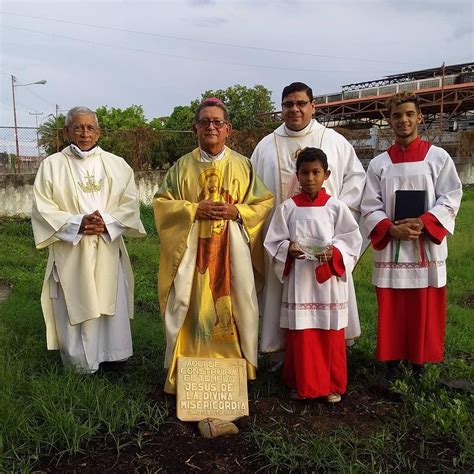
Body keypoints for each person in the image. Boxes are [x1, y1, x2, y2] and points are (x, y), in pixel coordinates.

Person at [154, 98, 274, 394]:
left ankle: (235, 370)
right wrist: (193, 210)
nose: (211, 127)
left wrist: (238, 212)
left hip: (232, 252)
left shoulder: (243, 165)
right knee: (190, 302)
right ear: (195, 128)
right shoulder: (182, 166)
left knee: (235, 304)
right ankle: (188, 367)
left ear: (228, 129)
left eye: (217, 122)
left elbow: (263, 202)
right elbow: (162, 204)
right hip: (194, 253)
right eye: (205, 122)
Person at [251, 82, 366, 356]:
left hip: (327, 242)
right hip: (284, 246)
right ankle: (281, 352)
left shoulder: (335, 141)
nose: (295, 109)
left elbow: (357, 182)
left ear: (313, 106)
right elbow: (252, 191)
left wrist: (334, 221)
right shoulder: (266, 147)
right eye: (288, 104)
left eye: (301, 103)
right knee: (281, 296)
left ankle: (330, 348)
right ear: (281, 109)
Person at [31, 106, 146, 373]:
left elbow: (130, 204)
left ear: (98, 131)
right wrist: (78, 223)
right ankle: (81, 365)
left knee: (109, 299)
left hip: (106, 244)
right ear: (66, 131)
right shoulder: (51, 166)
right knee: (77, 297)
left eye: (90, 127)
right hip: (72, 248)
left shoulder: (117, 164)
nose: (84, 133)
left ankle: (114, 357)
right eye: (78, 127)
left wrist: (104, 222)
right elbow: (42, 207)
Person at [361, 92, 462, 382]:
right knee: (393, 305)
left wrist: (424, 221)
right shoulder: (379, 163)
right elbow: (369, 204)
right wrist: (390, 228)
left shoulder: (438, 157)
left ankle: (419, 361)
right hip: (392, 245)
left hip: (423, 246)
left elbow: (451, 196)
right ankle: (392, 362)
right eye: (396, 116)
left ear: (419, 117)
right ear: (388, 121)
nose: (402, 120)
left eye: (408, 114)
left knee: (422, 304)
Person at [264, 147, 362, 402]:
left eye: (315, 172)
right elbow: (273, 242)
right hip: (300, 282)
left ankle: (331, 385)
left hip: (327, 282)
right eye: (304, 172)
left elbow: (351, 239)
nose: (309, 178)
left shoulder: (336, 207)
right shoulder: (287, 208)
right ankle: (302, 384)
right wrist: (289, 248)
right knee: (302, 332)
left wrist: (335, 252)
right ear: (297, 175)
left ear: (326, 174)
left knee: (328, 332)